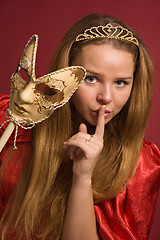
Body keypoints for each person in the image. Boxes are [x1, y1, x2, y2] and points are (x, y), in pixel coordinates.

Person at [0, 13, 160, 240]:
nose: (106, 97)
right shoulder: (11, 119)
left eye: (121, 82)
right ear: (66, 72)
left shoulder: (141, 165)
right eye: (92, 78)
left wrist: (83, 177)